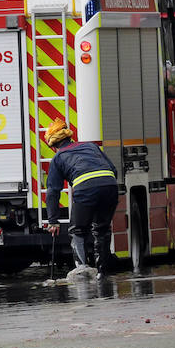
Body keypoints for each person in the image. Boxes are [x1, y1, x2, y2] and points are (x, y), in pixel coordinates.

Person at [42, 120, 120, 279]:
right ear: (69, 137)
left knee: (77, 230)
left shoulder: (58, 157)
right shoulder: (91, 146)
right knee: (102, 229)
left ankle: (82, 269)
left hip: (86, 189)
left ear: (53, 146)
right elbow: (113, 169)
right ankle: (102, 272)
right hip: (110, 185)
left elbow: (53, 192)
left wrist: (53, 221)